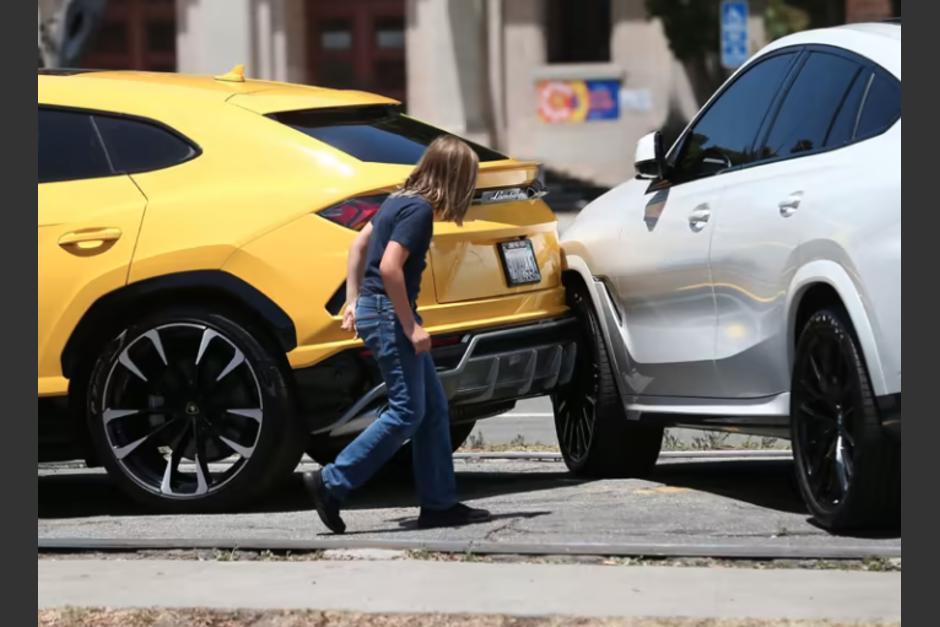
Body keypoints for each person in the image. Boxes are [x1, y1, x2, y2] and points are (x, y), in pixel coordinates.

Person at [303, 135, 492, 534]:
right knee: (407, 411)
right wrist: (410, 325)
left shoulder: (395, 201)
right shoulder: (419, 210)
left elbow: (358, 246)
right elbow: (390, 268)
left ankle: (439, 505)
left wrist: (353, 300)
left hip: (377, 310)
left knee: (433, 411)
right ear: (454, 178)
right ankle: (333, 482)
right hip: (391, 316)